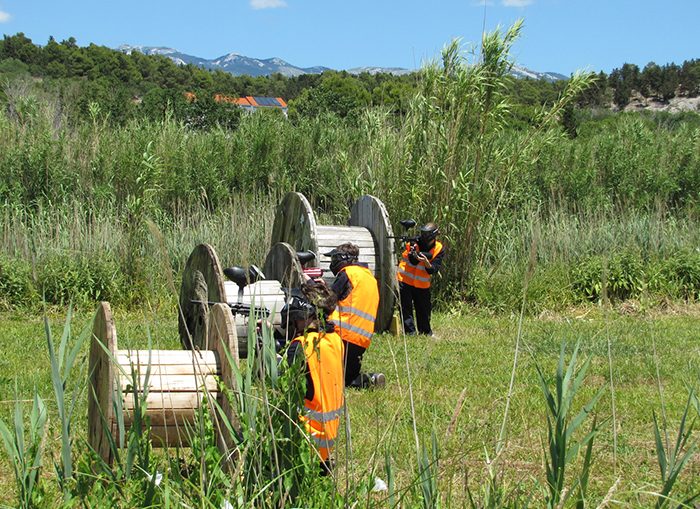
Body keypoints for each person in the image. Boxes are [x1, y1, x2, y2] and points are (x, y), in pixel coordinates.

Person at [283, 283, 344, 476]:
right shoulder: (335, 340)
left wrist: (267, 350)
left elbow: (277, 381)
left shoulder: (302, 346)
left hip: (303, 445)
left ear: (305, 313)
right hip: (326, 444)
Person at [322, 243, 384, 389]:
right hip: (361, 340)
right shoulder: (369, 277)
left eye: (334, 259)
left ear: (344, 259)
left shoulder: (347, 273)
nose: (333, 264)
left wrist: (312, 285)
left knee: (330, 375)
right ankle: (373, 379)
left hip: (340, 335)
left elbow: (329, 300)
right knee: (348, 378)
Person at [397, 222, 445, 337]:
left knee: (424, 309)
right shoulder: (413, 243)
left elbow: (433, 269)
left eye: (426, 233)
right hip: (405, 279)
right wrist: (413, 252)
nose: (423, 236)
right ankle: (410, 333)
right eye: (422, 233)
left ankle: (426, 333)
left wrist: (426, 263)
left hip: (422, 283)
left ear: (434, 235)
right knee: (406, 307)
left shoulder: (439, 248)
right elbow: (413, 261)